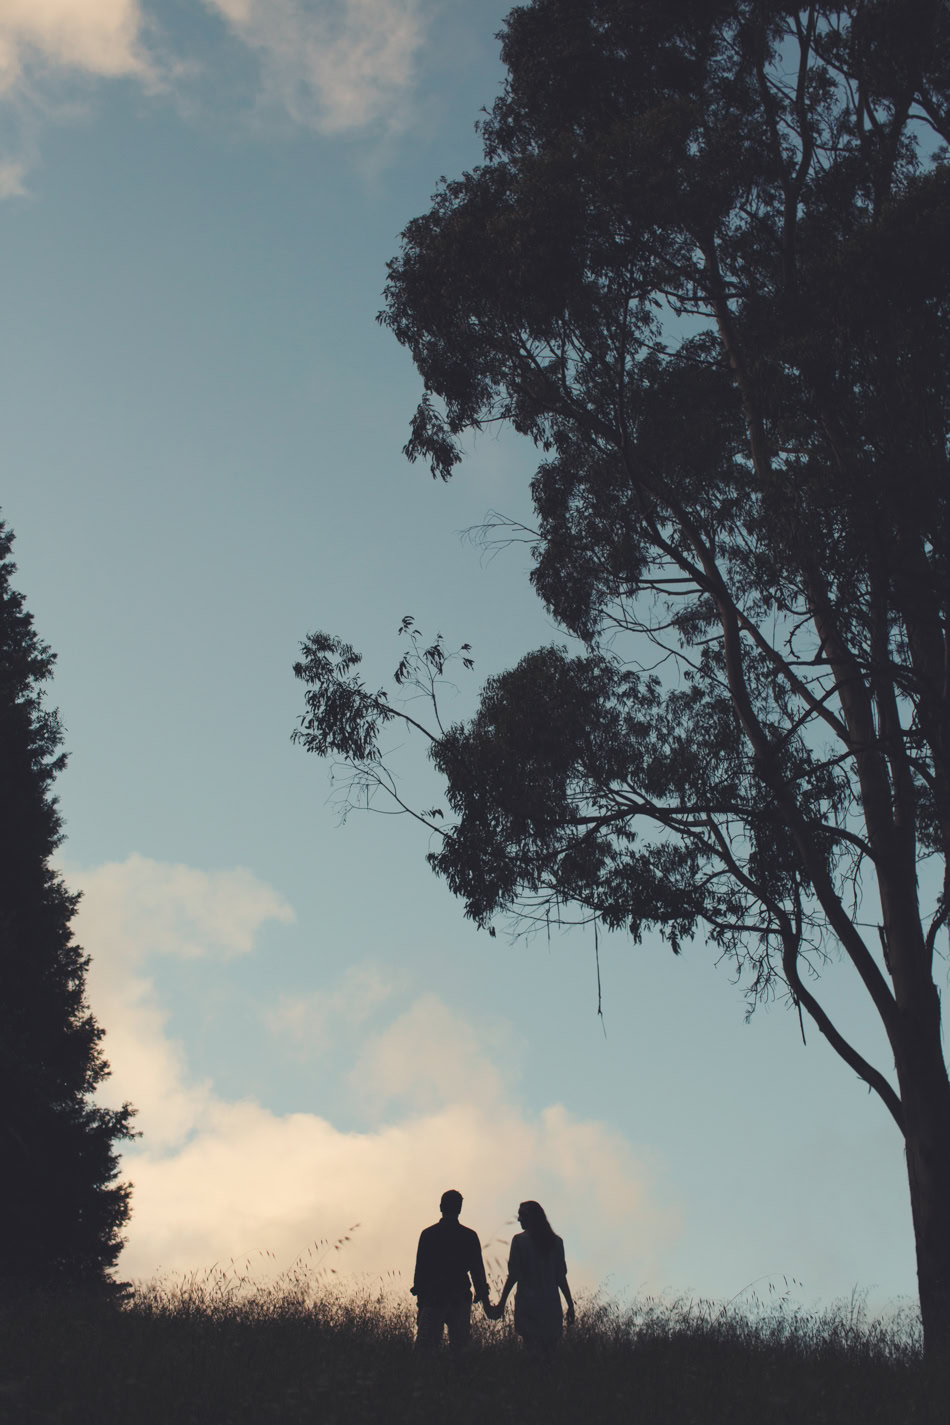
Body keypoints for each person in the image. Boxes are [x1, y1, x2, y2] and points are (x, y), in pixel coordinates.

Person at [411, 1189, 492, 1352]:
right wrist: (484, 1299)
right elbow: (477, 1271)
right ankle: (458, 1377)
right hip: (459, 1297)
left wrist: (421, 1302)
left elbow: (421, 1271)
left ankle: (425, 1377)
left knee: (426, 1349)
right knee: (460, 1349)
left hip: (433, 1296)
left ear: (441, 1207)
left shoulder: (428, 1234)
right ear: (460, 1208)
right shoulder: (469, 1235)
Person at [491, 1200, 575, 1352]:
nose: (519, 1219)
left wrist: (502, 1303)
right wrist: (570, 1305)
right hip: (551, 1307)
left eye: (523, 1215)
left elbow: (514, 1275)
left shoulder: (519, 1241)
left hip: (528, 1306)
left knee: (532, 1354)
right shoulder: (556, 1242)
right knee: (550, 1356)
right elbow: (560, 1277)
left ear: (533, 1217)